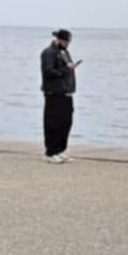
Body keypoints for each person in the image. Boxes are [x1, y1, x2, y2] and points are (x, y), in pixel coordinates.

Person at [40, 28, 81, 161]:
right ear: (58, 39)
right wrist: (66, 69)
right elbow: (48, 72)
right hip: (53, 92)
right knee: (53, 122)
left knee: (66, 122)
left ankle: (60, 149)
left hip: (66, 93)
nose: (67, 43)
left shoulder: (64, 52)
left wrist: (70, 68)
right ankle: (50, 152)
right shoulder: (48, 53)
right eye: (65, 41)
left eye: (68, 41)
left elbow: (67, 69)